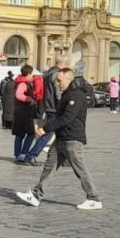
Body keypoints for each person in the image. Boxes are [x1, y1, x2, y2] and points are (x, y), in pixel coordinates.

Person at [16, 68, 101, 210]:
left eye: (60, 80)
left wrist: (46, 128)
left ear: (69, 79)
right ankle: (36, 196)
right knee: (49, 167)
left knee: (80, 169)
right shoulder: (67, 94)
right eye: (57, 80)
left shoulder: (76, 96)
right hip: (61, 138)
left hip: (72, 139)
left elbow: (66, 118)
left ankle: (93, 198)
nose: (57, 83)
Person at [26, 55, 68, 163]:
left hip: (49, 106)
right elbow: (58, 92)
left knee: (59, 133)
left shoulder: (48, 73)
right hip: (54, 107)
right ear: (65, 63)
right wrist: (63, 103)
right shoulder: (57, 74)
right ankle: (31, 155)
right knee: (48, 132)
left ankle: (62, 158)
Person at [12, 64, 42, 164]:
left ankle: (18, 155)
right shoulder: (23, 84)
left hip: (20, 112)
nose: (32, 76)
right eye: (31, 73)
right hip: (24, 112)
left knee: (19, 134)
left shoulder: (20, 82)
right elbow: (19, 95)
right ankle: (23, 153)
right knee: (30, 133)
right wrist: (29, 99)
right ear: (28, 73)